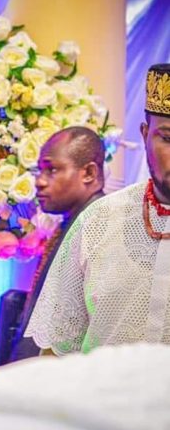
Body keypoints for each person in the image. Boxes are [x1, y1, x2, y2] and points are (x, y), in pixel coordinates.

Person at [25, 63, 170, 356]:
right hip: (101, 388)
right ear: (145, 135)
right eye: (167, 138)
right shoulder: (98, 221)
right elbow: (56, 350)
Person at [7, 126, 106, 363]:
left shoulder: (100, 230)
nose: (39, 182)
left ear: (89, 173)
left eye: (52, 170)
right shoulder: (76, 222)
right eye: (39, 170)